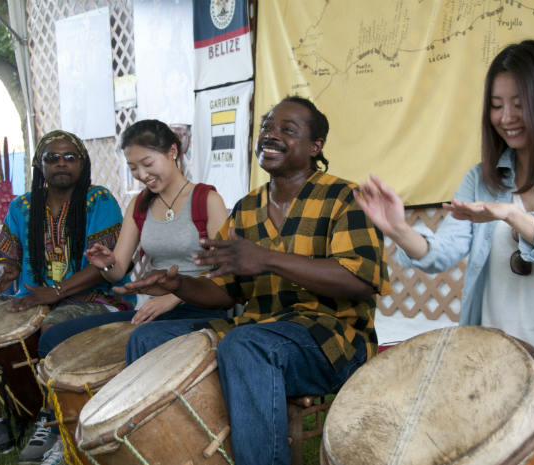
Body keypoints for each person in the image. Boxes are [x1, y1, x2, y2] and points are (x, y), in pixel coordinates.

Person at [355, 40, 534, 464]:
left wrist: (510, 213)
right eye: (496, 104)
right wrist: (397, 228)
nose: (505, 118)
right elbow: (440, 253)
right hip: (496, 362)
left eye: (519, 104)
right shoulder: (482, 178)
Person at [112, 96, 391, 465]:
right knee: (148, 339)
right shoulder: (246, 209)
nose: (271, 136)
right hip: (255, 332)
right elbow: (224, 293)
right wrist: (178, 285)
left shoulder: (344, 198)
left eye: (287, 130)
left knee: (246, 345)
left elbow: (360, 281)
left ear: (315, 146)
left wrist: (268, 260)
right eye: (266, 128)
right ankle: (177, 454)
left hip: (332, 340)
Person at [30, 120, 229, 465]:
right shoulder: (139, 205)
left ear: (172, 152)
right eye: (133, 168)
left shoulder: (206, 199)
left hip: (201, 307)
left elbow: (226, 272)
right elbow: (119, 268)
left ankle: (130, 432)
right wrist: (105, 262)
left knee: (146, 337)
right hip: (151, 311)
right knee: (54, 339)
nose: (141, 175)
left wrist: (174, 296)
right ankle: (64, 429)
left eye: (147, 164)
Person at [0, 130, 134, 464]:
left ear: (82, 164)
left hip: (96, 298)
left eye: (70, 157)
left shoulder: (98, 200)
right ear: (39, 164)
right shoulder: (22, 206)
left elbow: (106, 264)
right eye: (52, 157)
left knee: (53, 326)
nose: (61, 164)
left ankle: (51, 420)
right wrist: (8, 270)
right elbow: (9, 255)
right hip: (35, 296)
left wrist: (54, 293)